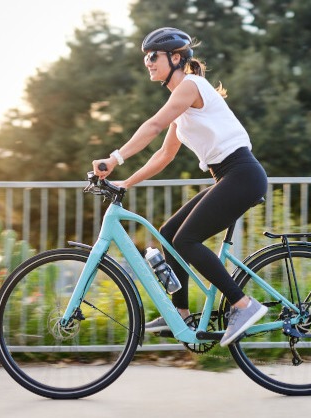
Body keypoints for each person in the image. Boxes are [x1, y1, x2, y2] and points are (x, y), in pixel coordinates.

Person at [92, 27, 268, 346]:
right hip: (229, 176)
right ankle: (181, 314)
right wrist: (126, 182)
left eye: (152, 56)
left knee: (186, 239)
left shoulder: (190, 86)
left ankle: (243, 305)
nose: (147, 62)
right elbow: (164, 155)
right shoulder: (181, 102)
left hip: (242, 174)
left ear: (175, 58)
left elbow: (153, 125)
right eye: (145, 57)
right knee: (170, 233)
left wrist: (115, 158)